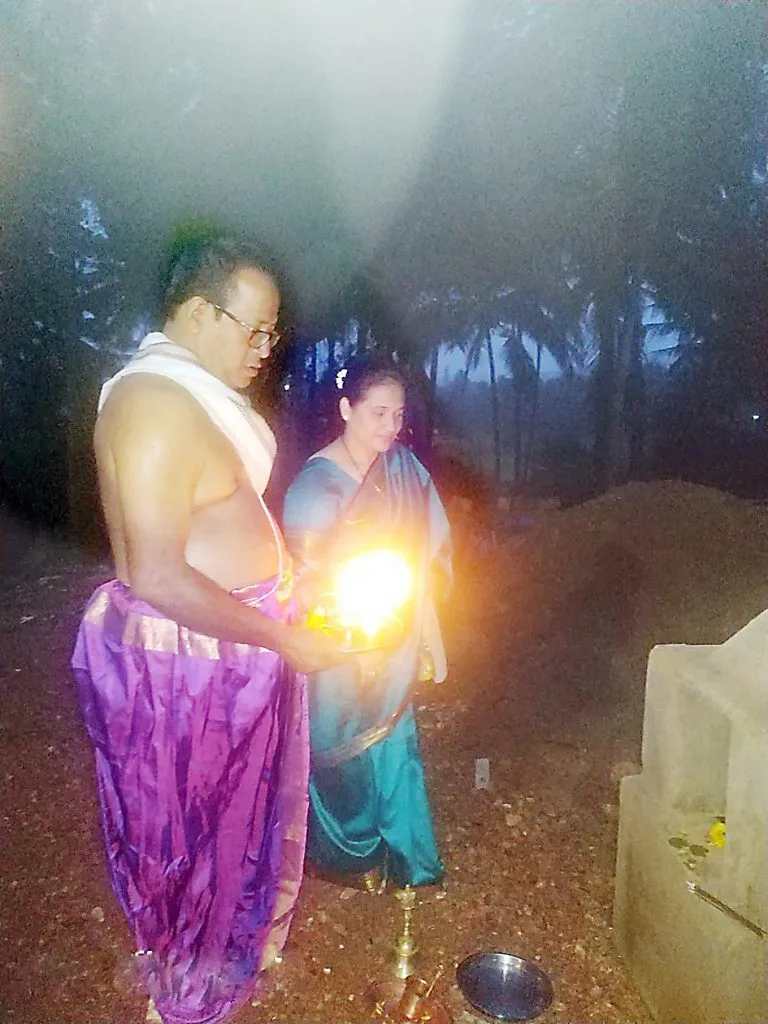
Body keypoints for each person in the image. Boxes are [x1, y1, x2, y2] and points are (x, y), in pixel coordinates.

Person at [71, 235, 342, 1024]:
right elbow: (156, 575)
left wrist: (288, 580)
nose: (264, 350)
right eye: (253, 330)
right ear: (197, 312)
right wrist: (283, 637)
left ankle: (213, 975)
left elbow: (215, 527)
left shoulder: (190, 399)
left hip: (229, 649)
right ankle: (184, 1003)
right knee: (191, 846)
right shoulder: (153, 408)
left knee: (232, 834)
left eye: (271, 334)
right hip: (191, 672)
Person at [282, 355, 451, 891]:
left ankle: (406, 853)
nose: (391, 426)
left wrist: (425, 630)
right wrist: (355, 634)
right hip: (338, 649)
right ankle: (346, 853)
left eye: (398, 415)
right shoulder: (315, 488)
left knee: (395, 744)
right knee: (341, 748)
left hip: (395, 637)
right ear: (345, 409)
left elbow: (428, 553)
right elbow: (305, 586)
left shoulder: (405, 470)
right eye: (378, 413)